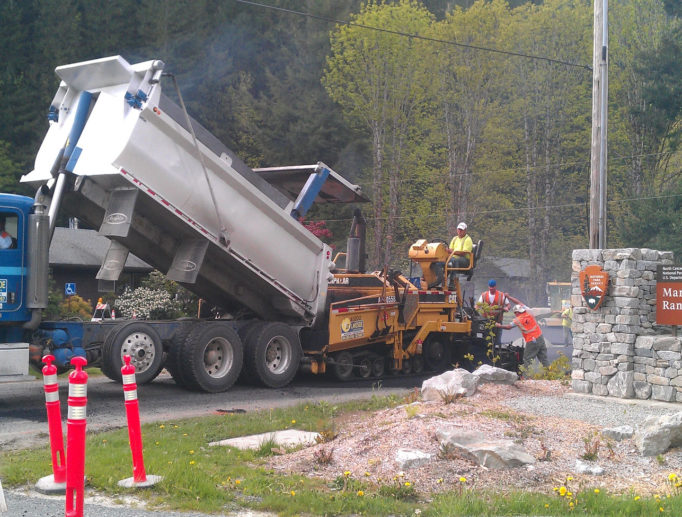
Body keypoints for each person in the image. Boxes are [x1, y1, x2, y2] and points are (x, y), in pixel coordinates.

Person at [496, 304, 549, 371]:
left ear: (516, 312)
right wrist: (509, 297)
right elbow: (520, 303)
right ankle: (550, 375)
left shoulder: (518, 320)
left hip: (532, 340)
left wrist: (499, 326)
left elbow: (508, 327)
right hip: (540, 338)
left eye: (515, 313)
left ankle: (526, 377)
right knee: (544, 358)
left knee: (527, 359)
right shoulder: (528, 313)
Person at [476, 279, 511, 346]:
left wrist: (507, 308)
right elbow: (477, 305)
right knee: (486, 339)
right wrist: (477, 311)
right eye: (490, 287)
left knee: (497, 340)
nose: (491, 288)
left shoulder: (501, 295)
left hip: (498, 320)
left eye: (493, 287)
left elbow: (508, 305)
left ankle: (496, 351)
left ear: (495, 286)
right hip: (486, 321)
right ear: (488, 287)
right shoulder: (484, 295)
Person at [445, 222, 473, 289]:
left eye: (461, 230)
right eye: (459, 229)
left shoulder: (468, 240)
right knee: (441, 260)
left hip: (465, 261)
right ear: (457, 230)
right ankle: (439, 280)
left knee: (455, 261)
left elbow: (463, 253)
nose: (460, 231)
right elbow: (450, 249)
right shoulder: (455, 239)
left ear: (465, 230)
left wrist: (452, 251)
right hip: (453, 258)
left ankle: (452, 283)